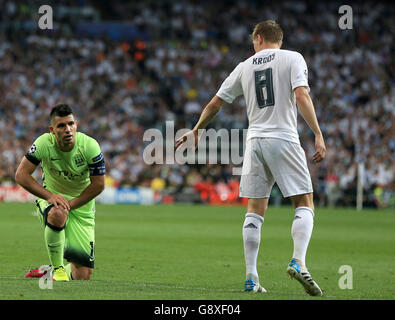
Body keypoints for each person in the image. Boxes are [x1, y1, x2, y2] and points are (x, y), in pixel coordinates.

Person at [176, 20, 326, 296]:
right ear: (278, 39)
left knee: (254, 210)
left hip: (254, 142)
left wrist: (196, 130)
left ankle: (251, 277)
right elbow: (302, 94)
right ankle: (298, 260)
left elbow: (215, 103)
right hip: (283, 137)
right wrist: (317, 132)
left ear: (258, 38)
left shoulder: (244, 66)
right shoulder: (293, 58)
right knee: (304, 202)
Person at [15, 104, 106, 281]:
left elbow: (99, 185)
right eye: (61, 126)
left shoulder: (90, 146)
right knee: (58, 212)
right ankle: (58, 270)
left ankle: (47, 271)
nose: (68, 129)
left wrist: (71, 205)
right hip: (52, 199)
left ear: (76, 125)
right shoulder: (43, 143)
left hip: (82, 207)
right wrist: (49, 196)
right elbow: (21, 175)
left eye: (71, 124)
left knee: (83, 275)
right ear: (52, 130)